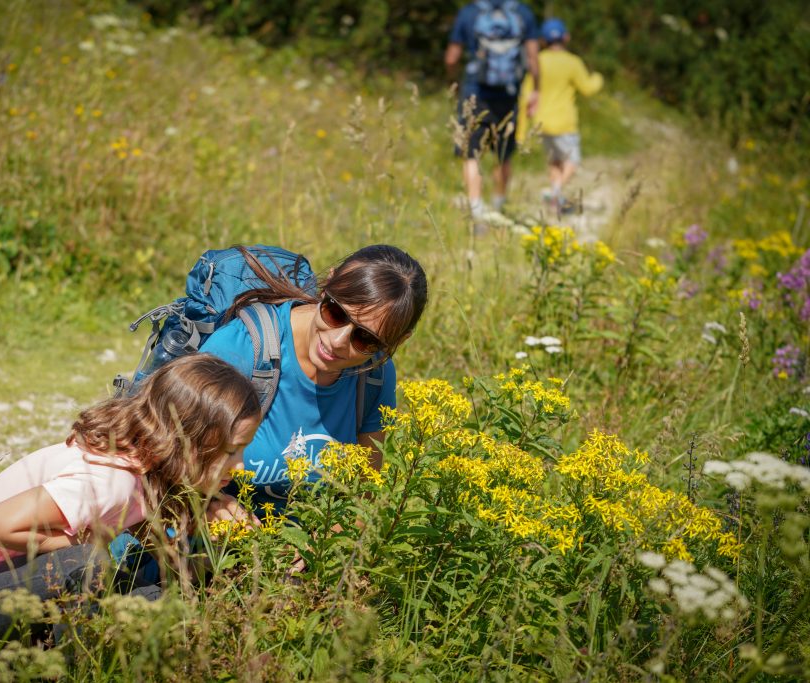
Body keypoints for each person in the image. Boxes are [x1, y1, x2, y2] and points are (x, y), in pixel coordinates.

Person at [0, 354, 261, 660]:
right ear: (185, 440)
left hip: (20, 580)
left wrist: (217, 532)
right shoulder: (111, 482)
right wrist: (81, 541)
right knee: (89, 562)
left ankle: (19, 657)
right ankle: (69, 667)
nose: (240, 466)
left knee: (150, 602)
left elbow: (163, 553)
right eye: (230, 451)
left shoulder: (147, 470)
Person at [200, 244, 428, 513]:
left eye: (365, 338)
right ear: (327, 284)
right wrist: (209, 512)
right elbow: (171, 467)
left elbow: (363, 497)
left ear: (399, 341)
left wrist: (329, 536)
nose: (337, 341)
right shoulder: (240, 348)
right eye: (336, 313)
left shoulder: (375, 376)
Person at [445, 0, 540, 221]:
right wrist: (536, 90)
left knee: (471, 154)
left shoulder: (470, 12)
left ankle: (476, 209)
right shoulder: (522, 12)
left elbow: (451, 57)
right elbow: (533, 58)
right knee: (503, 154)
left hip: (474, 93)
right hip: (509, 95)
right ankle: (499, 205)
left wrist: (453, 83)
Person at [517, 18, 604, 215]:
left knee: (554, 162)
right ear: (566, 37)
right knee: (572, 162)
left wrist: (521, 130)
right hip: (565, 123)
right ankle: (555, 194)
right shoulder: (572, 62)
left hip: (542, 123)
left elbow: (526, 95)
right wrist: (598, 78)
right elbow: (588, 88)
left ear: (542, 40)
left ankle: (555, 201)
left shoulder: (538, 61)